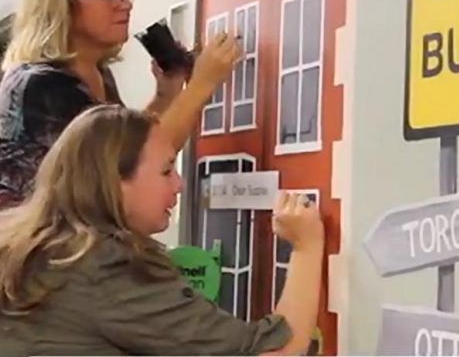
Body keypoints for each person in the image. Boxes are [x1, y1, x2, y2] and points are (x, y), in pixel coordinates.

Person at [0, 105, 325, 356]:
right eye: (167, 170)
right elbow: (273, 351)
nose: (180, 184)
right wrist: (307, 247)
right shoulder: (107, 265)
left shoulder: (23, 245)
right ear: (116, 183)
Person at [0, 0, 243, 208]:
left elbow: (127, 143)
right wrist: (202, 84)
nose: (124, 4)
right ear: (62, 3)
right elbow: (128, 170)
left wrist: (166, 96)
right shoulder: (40, 84)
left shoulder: (97, 73)